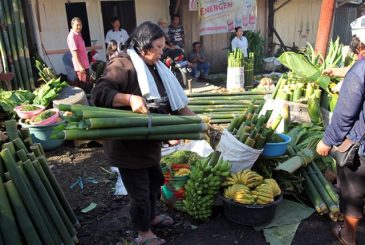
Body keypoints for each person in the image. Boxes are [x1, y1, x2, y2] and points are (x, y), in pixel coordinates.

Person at [91, 21, 194, 245]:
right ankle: (143, 233)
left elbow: (175, 103)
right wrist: (129, 98)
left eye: (162, 46)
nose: (162, 51)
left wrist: (200, 124)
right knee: (138, 191)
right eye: (158, 47)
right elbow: (99, 93)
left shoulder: (157, 67)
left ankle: (152, 217)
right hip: (127, 144)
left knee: (154, 182)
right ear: (144, 46)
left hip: (149, 140)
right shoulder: (122, 64)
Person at [316, 16, 365, 245]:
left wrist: (327, 141)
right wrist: (339, 72)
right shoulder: (358, 69)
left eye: (358, 48)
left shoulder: (358, 74)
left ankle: (348, 236)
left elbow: (345, 115)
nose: (356, 54)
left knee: (352, 195)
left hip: (361, 146)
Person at [66, 17, 93, 93]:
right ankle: (87, 104)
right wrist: (80, 66)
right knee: (85, 87)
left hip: (85, 65)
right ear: (72, 25)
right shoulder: (72, 36)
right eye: (77, 25)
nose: (79, 27)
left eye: (80, 25)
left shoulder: (78, 34)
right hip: (81, 67)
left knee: (88, 85)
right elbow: (75, 53)